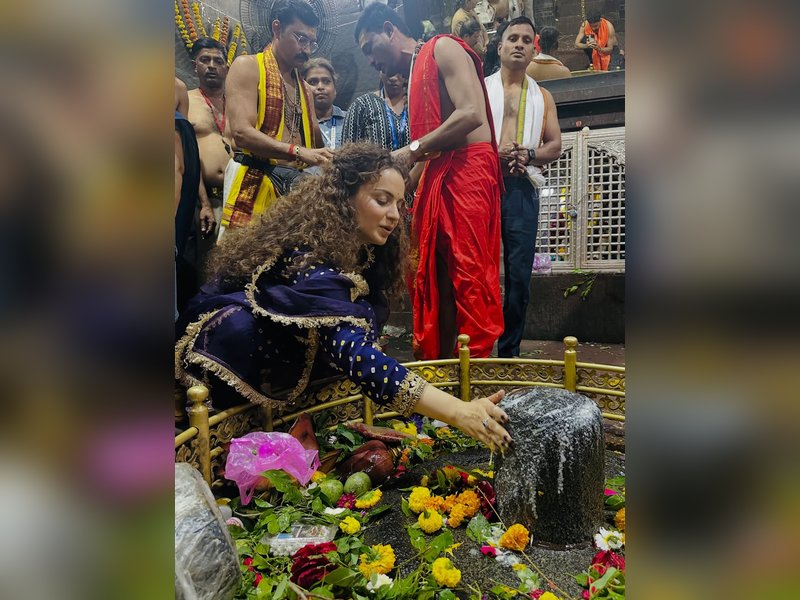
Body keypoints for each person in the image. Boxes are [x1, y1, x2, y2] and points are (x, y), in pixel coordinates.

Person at [175, 143, 512, 449]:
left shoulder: (361, 252)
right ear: (344, 198)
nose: (395, 215)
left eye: (399, 203)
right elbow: (354, 353)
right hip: (227, 372)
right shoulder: (309, 256)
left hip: (282, 369)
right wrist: (457, 411)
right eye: (382, 200)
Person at [355, 3, 504, 360]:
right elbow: (426, 155)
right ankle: (444, 370)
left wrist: (409, 151)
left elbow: (471, 114)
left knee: (468, 279)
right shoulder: (411, 75)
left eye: (369, 48)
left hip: (469, 172)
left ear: (390, 30)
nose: (371, 61)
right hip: (440, 175)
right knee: (435, 278)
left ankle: (478, 377)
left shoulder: (443, 47)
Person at [222, 0, 333, 235]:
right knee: (244, 264)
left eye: (311, 42)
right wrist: (298, 151)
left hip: (293, 184)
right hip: (254, 177)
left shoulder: (305, 88)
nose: (307, 50)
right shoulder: (247, 66)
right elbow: (241, 134)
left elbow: (314, 143)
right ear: (276, 28)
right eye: (300, 39)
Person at [485, 17, 562, 357]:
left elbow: (554, 145)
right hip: (484, 185)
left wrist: (528, 154)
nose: (519, 44)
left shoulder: (542, 96)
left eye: (526, 40)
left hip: (521, 188)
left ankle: (510, 349)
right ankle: (478, 345)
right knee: (481, 269)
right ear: (499, 47)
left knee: (519, 274)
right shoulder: (479, 89)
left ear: (534, 49)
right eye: (512, 38)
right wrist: (493, 153)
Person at [187, 37, 231, 263]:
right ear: (195, 65)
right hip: (208, 200)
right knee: (209, 272)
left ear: (227, 67)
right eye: (205, 60)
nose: (212, 65)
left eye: (218, 60)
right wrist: (203, 203)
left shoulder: (238, 102)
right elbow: (183, 158)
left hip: (242, 196)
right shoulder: (185, 101)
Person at [301, 58, 346, 150]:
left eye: (326, 81)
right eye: (313, 82)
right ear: (303, 88)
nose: (320, 87)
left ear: (335, 89)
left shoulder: (351, 119)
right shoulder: (297, 125)